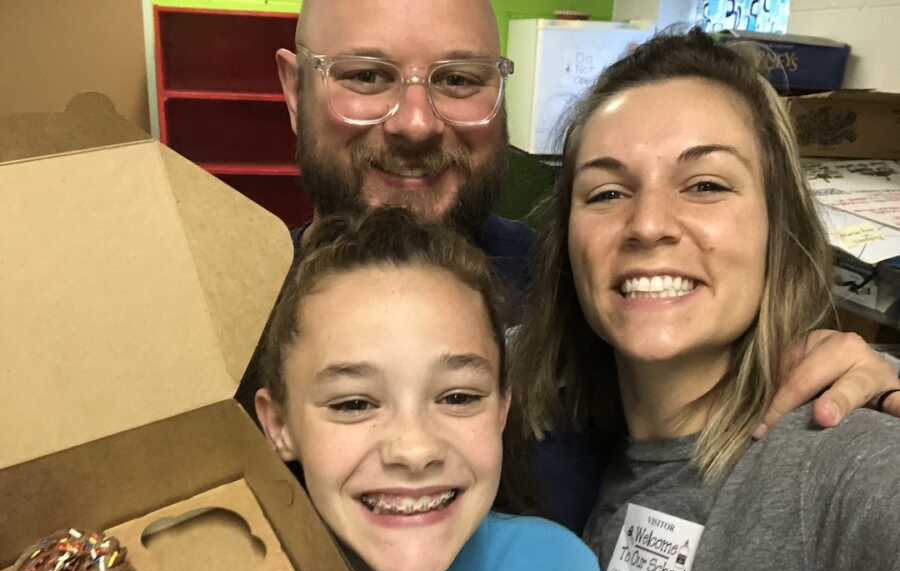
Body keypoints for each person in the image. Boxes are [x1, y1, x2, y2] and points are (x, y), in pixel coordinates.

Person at [252, 0, 900, 533]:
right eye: (366, 75)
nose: (416, 123)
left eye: (458, 78)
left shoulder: (576, 296)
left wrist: (877, 385)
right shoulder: (224, 321)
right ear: (292, 88)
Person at [513, 28, 900, 571]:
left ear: (781, 227)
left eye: (706, 185)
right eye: (608, 193)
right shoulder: (559, 435)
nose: (648, 224)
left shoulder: (849, 475)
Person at [253, 207, 603, 571]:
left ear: (502, 407)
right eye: (354, 403)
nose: (415, 449)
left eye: (458, 397)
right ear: (279, 426)